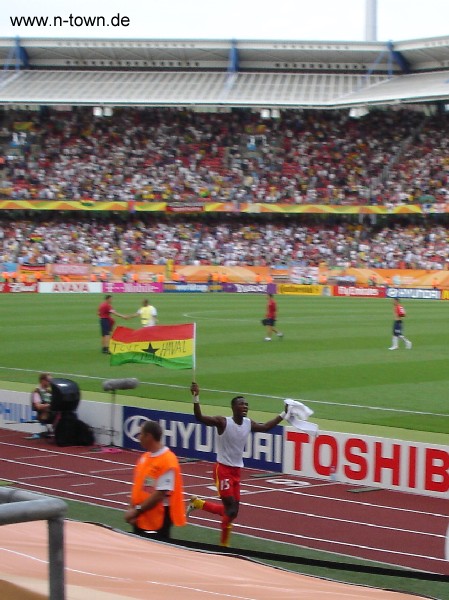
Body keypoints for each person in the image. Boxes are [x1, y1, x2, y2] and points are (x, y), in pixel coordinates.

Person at [187, 382, 288, 547]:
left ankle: (199, 504)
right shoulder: (223, 422)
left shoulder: (248, 423)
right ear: (233, 407)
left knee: (232, 512)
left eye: (247, 404)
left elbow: (266, 427)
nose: (245, 406)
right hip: (223, 469)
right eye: (241, 404)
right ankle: (223, 546)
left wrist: (284, 413)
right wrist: (196, 396)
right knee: (231, 510)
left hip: (236, 470)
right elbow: (200, 418)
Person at [124, 420, 186, 541]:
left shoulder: (167, 460)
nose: (139, 437)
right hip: (141, 517)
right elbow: (139, 486)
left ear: (149, 436)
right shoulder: (145, 458)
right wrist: (131, 508)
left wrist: (136, 511)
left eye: (141, 434)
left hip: (157, 518)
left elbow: (159, 494)